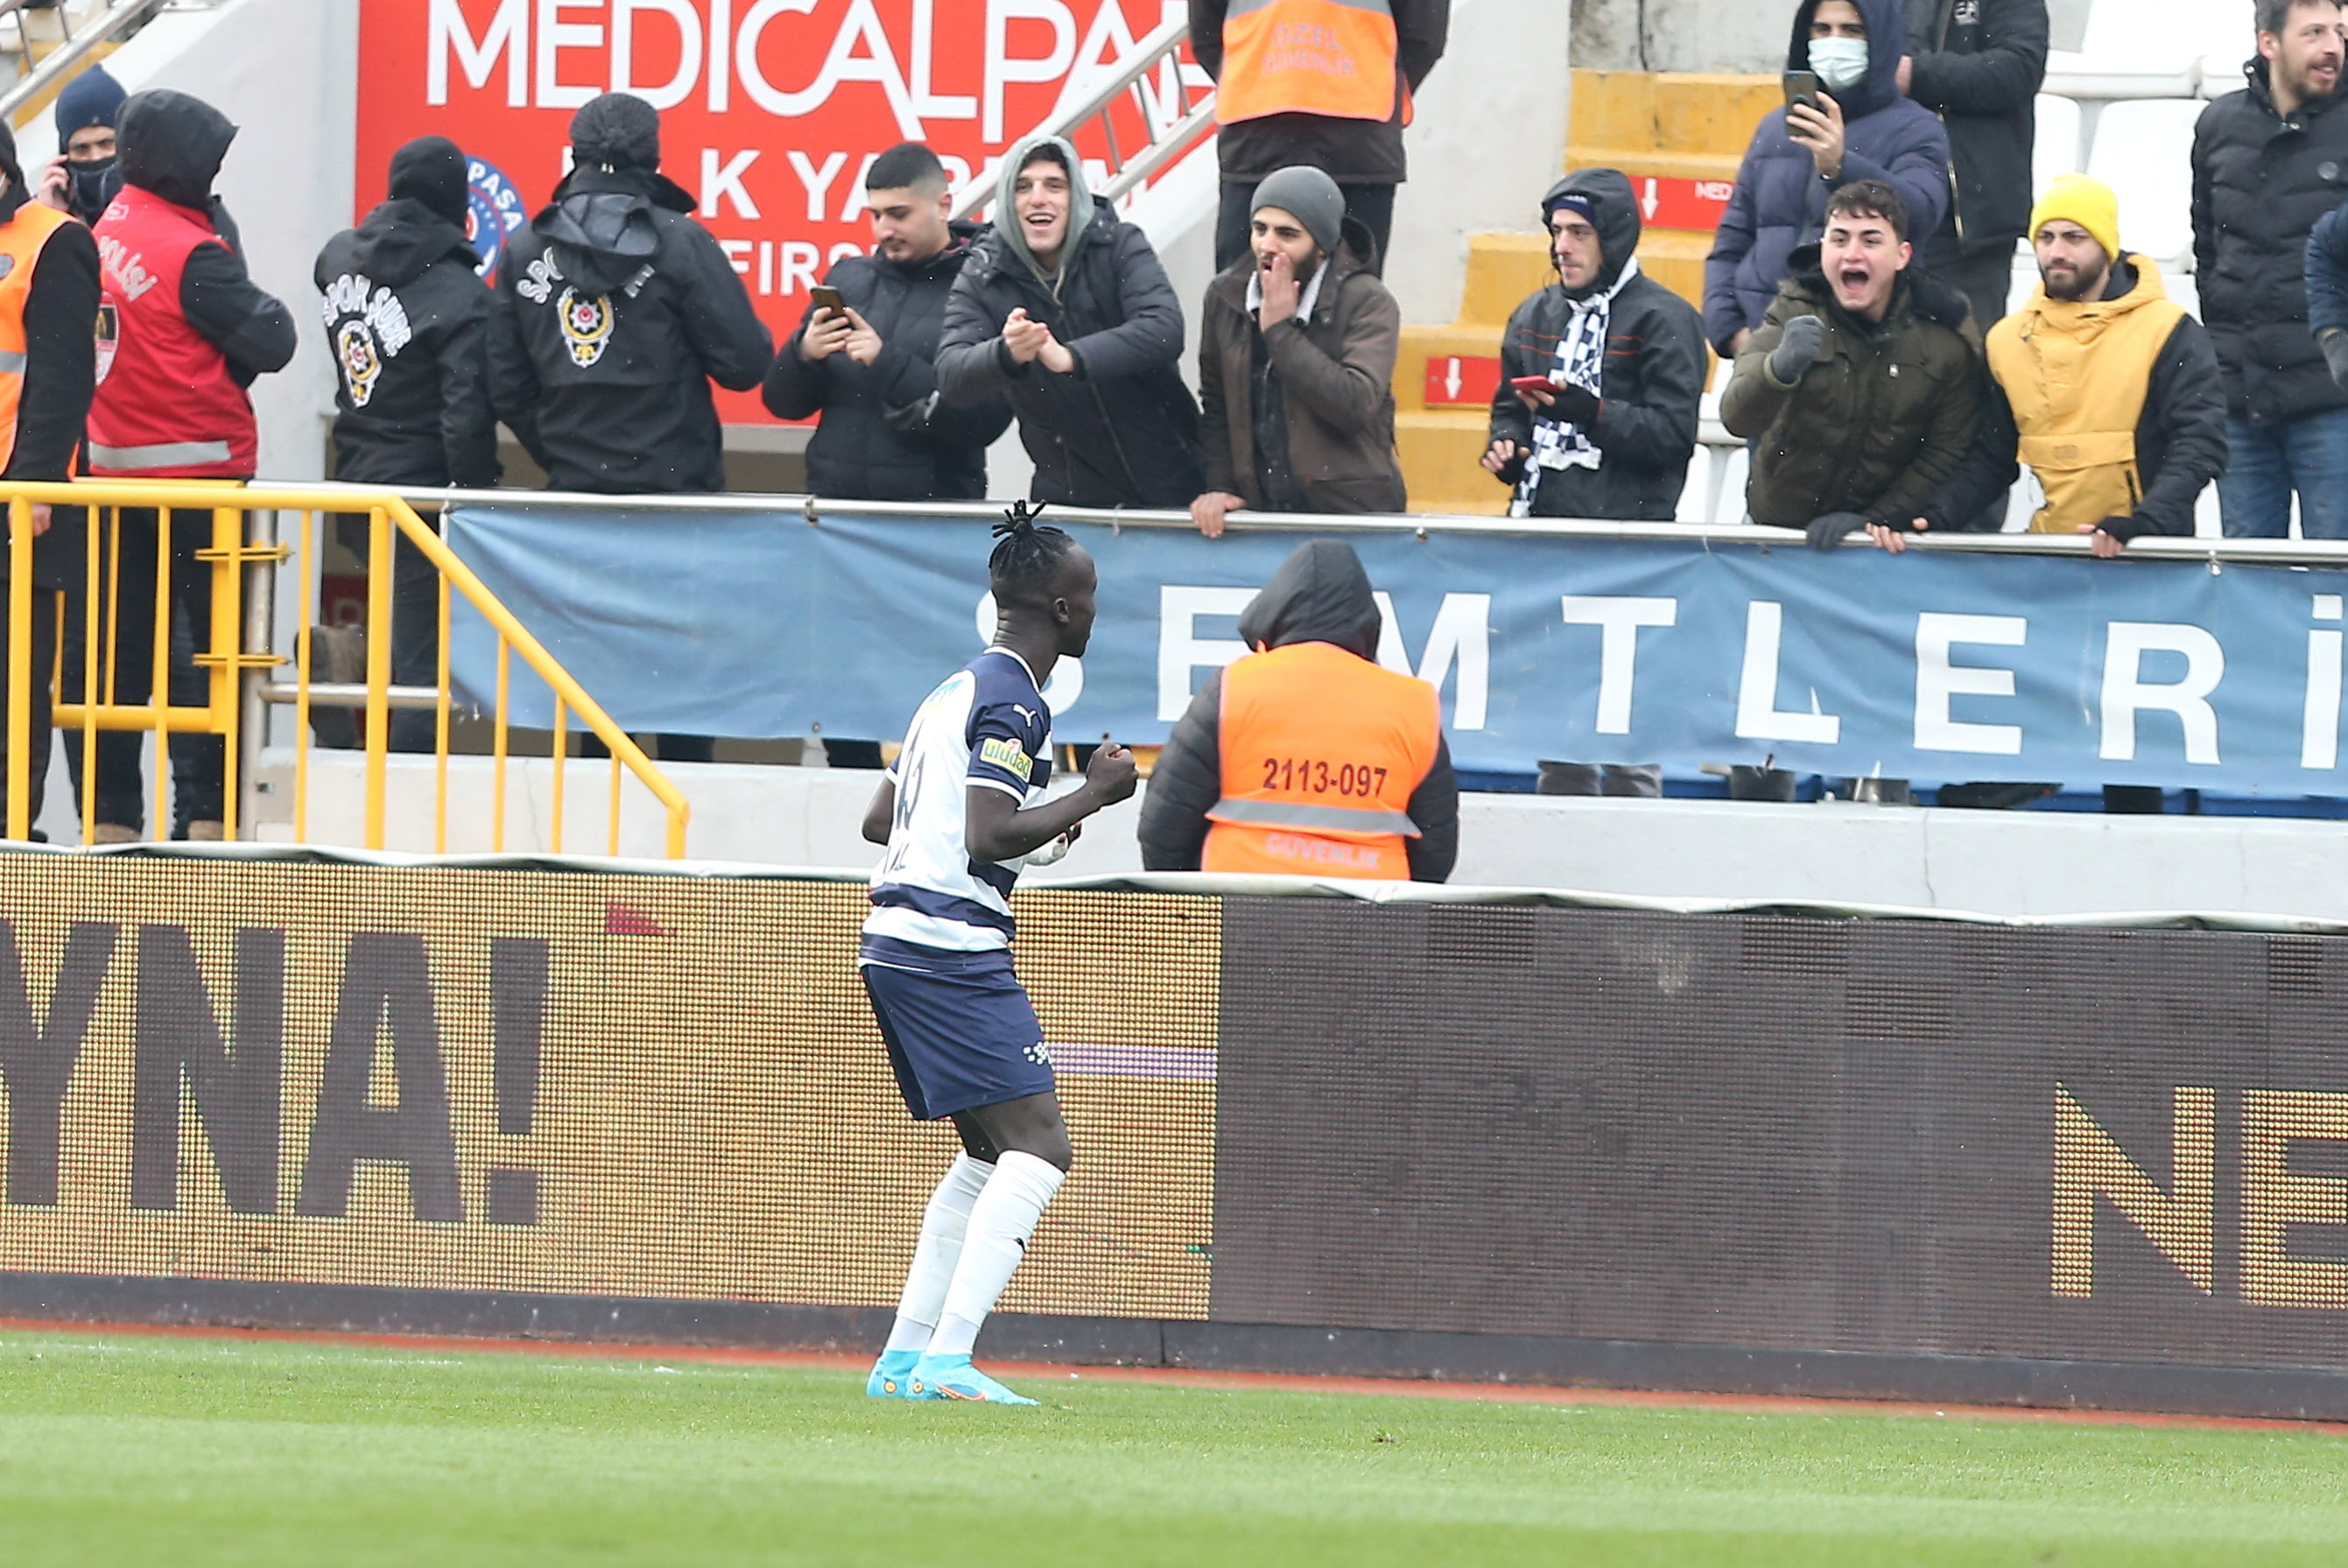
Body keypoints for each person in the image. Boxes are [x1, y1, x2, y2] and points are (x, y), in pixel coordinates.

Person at [857, 509, 1139, 1406]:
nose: (1094, 610)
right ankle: (947, 1361)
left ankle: (903, 1359)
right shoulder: (1017, 701)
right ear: (1060, 608)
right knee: (1043, 1147)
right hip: (950, 946)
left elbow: (879, 820)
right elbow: (987, 832)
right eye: (1089, 594)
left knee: (988, 1153)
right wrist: (1094, 794)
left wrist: (1036, 833)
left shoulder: (948, 692)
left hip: (894, 943)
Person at [1892, 175, 2228, 815]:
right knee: (2047, 692)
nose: (2057, 251)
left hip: (2144, 561)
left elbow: (2201, 443)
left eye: (2074, 237)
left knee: (2130, 735)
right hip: (2057, 560)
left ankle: (2129, 841)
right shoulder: (2007, 340)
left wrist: (2145, 522)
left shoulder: (2169, 330)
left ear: (2107, 246)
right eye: (2045, 237)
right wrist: (1933, 513)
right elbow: (1991, 460)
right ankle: (2032, 779)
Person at [488, 91, 772, 763]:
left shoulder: (524, 249)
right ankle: (679, 825)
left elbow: (505, 384)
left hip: (577, 510)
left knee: (593, 691)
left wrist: (566, 450)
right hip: (681, 508)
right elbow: (745, 364)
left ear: (575, 155)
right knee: (684, 684)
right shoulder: (681, 243)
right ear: (654, 158)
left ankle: (595, 827)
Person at [78, 89, 296, 843]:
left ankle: (110, 823)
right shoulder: (193, 252)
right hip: (204, 488)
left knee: (115, 663)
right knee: (211, 662)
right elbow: (274, 339)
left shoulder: (106, 225)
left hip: (111, 485)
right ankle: (206, 820)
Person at [1482, 167, 1706, 799]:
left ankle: (1635, 857)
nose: (1563, 246)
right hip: (1546, 544)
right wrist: (1508, 448)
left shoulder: (1666, 319)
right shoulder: (1533, 313)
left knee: (1628, 734)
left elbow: (1672, 437)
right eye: (1557, 231)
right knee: (1558, 733)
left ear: (1614, 236)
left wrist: (1591, 413)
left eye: (1579, 232)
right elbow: (1509, 407)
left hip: (1629, 552)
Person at [314, 136, 500, 754]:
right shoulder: (462, 297)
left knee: (402, 623)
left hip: (354, 482)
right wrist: (474, 492)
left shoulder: (337, 258)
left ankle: (348, 656)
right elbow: (465, 417)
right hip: (420, 497)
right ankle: (405, 789)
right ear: (458, 207)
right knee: (425, 671)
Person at [1137, 538, 1458, 881]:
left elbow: (1165, 823)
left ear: (1275, 609)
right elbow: (1436, 847)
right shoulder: (1413, 703)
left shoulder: (1233, 687)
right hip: (1370, 907)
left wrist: (1194, 899)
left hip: (1240, 902)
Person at [937, 135, 1202, 510]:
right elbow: (950, 376)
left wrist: (1072, 357)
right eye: (1023, 187)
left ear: (1075, 197)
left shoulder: (1119, 244)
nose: (1038, 198)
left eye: (1054, 186)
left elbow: (1164, 329)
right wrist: (1005, 354)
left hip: (1175, 484)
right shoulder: (982, 272)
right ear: (1008, 202)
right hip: (1069, 500)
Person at [1722, 179, 1979, 545]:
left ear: (1902, 255)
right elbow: (1736, 418)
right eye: (1839, 240)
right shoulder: (1793, 308)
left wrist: (1875, 518)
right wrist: (1777, 370)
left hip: (1883, 542)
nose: (1852, 254)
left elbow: (1946, 451)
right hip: (1777, 535)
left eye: (1871, 241)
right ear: (1822, 248)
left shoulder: (1944, 336)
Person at [763, 143, 1011, 505]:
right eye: (876, 215)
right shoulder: (848, 279)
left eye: (899, 214)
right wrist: (804, 354)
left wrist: (886, 364)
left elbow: (983, 423)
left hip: (930, 515)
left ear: (943, 206)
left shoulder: (981, 288)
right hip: (834, 510)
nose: (885, 230)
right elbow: (782, 404)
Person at [1705, 0, 1952, 358]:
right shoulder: (1775, 127)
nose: (1835, 42)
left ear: (1879, 39)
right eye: (1822, 30)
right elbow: (1733, 238)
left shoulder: (1916, 127)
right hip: (1762, 350)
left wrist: (1840, 167)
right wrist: (1731, 332)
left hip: (1856, 352)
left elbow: (1921, 214)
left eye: (1852, 31)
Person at [2193, 0, 2348, 538]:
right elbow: (2208, 251)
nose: (2333, 47)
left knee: (2339, 573)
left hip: (2335, 404)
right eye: (2315, 32)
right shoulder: (2218, 125)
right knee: (2250, 574)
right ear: (2269, 43)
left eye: (2340, 32)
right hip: (2242, 402)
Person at [1191, 165, 1406, 538]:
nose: (1268, 245)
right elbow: (1216, 401)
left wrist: (1280, 332)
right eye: (1260, 229)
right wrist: (1221, 485)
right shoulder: (1225, 295)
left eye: (1287, 234)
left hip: (1351, 513)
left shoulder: (1368, 300)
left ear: (1322, 245)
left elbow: (1355, 404)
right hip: (1261, 511)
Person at [1188, 0, 1450, 275]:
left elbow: (1206, 35)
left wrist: (1261, 80)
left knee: (1244, 289)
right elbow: (1424, 38)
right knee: (1352, 290)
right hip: (1359, 138)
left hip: (1257, 135)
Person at [0, 121, 101, 833]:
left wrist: (35, 484)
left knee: (12, 678)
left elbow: (64, 375)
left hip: (15, 493)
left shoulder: (55, 241)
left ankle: (10, 828)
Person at [1897, 0, 2049, 334]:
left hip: (1967, 226)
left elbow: (2019, 67)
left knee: (1964, 353)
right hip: (1888, 213)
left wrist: (1916, 75)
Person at [36, 63, 123, 228]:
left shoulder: (161, 198)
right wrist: (49, 220)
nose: (95, 157)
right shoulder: (51, 209)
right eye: (81, 148)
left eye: (106, 143)